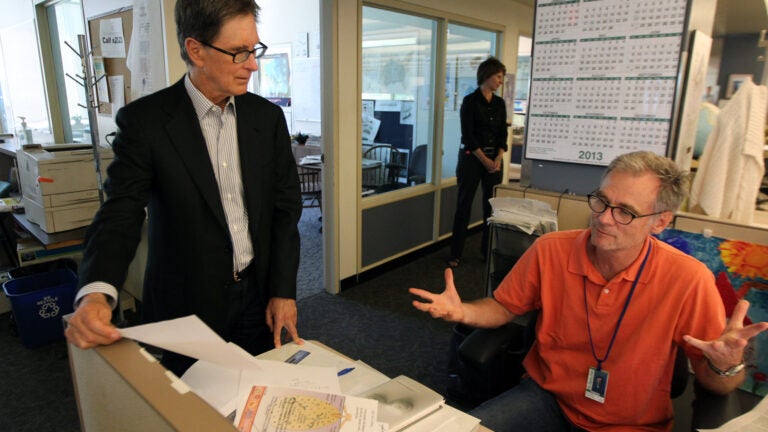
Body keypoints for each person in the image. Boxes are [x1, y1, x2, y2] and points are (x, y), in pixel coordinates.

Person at [411, 151, 768, 431]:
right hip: (546, 399)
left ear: (660, 221)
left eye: (625, 212)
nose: (603, 218)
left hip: (631, 423)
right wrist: (464, 312)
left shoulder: (688, 279)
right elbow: (503, 307)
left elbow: (718, 385)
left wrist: (726, 365)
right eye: (601, 200)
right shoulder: (551, 249)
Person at [65, 0, 303, 376]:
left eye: (254, 49)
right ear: (196, 50)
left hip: (256, 297)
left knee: (255, 391)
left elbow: (285, 209)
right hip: (186, 308)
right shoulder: (146, 123)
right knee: (190, 402)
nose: (253, 65)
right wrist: (96, 291)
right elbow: (120, 213)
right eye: (239, 52)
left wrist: (283, 289)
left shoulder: (267, 117)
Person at [448, 56, 508, 268]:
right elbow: (468, 136)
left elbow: (502, 134)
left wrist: (498, 158)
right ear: (487, 75)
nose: (501, 81)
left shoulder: (500, 104)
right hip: (472, 159)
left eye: (502, 77)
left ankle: (487, 250)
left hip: (494, 161)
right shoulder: (470, 102)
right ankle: (455, 253)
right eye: (498, 76)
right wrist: (485, 160)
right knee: (464, 204)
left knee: (490, 208)